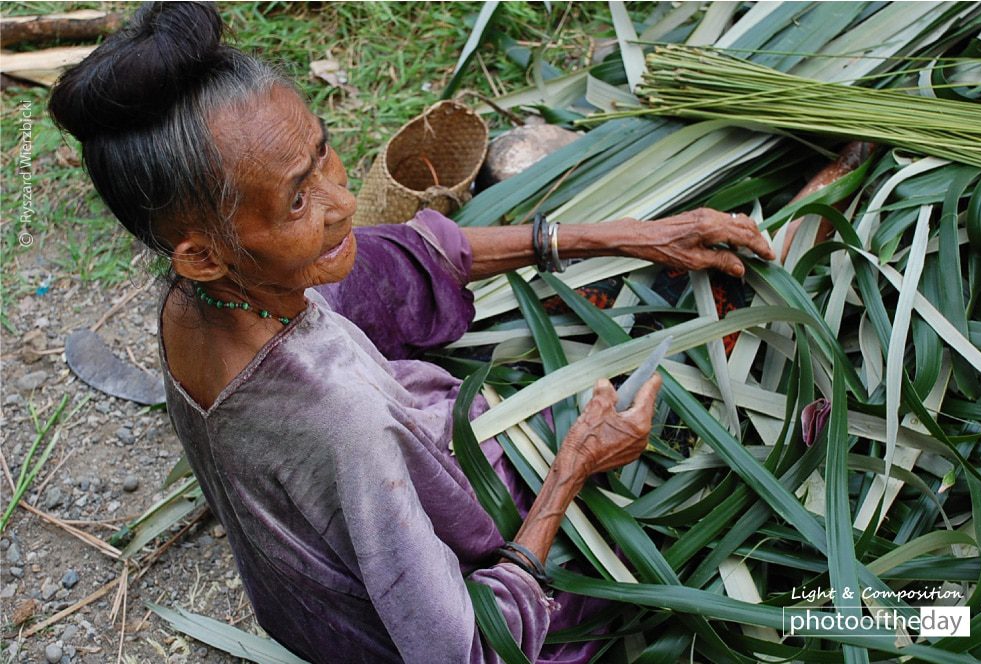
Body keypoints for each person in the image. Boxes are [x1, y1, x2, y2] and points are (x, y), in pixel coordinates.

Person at [48, 3, 776, 662]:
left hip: (308, 599)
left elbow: (405, 260)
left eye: (322, 151)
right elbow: (460, 651)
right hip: (397, 623)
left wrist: (634, 234)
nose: (340, 199)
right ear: (202, 254)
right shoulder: (343, 420)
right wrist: (572, 470)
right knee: (695, 498)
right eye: (298, 198)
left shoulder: (200, 297)